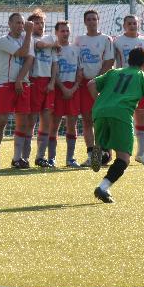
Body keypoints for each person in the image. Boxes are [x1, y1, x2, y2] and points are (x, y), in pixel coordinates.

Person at [88, 47, 144, 203]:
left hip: (99, 111)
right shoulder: (143, 77)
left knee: (104, 144)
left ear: (129, 60)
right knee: (124, 158)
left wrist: (98, 101)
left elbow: (91, 84)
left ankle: (101, 152)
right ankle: (103, 187)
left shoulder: (114, 72)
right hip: (121, 114)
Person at [0, 13, 34, 169]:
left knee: (23, 122)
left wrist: (20, 79)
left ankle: (17, 158)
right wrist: (29, 33)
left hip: (23, 84)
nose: (20, 25)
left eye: (22, 23)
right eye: (17, 22)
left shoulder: (27, 39)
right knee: (2, 120)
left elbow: (30, 59)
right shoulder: (4, 40)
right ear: (9, 24)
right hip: (5, 85)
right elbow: (22, 53)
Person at [112, 14, 144, 165]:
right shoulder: (117, 41)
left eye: (134, 23)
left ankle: (141, 153)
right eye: (129, 23)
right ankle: (122, 153)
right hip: (123, 86)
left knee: (141, 117)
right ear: (124, 25)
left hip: (139, 85)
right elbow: (113, 62)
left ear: (139, 25)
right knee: (123, 120)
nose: (132, 25)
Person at [74, 10, 114, 167]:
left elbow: (109, 61)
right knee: (87, 119)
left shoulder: (106, 39)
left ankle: (105, 152)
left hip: (102, 84)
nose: (91, 22)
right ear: (85, 22)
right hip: (84, 85)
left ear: (98, 20)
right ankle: (92, 156)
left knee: (102, 119)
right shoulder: (79, 40)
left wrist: (97, 79)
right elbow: (76, 60)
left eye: (94, 19)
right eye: (89, 19)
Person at [25, 9, 60, 167]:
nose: (40, 25)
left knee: (46, 120)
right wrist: (54, 44)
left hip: (48, 83)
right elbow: (39, 45)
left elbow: (54, 63)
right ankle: (25, 157)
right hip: (34, 81)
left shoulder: (50, 38)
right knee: (31, 120)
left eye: (42, 23)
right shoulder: (29, 39)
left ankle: (40, 156)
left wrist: (52, 82)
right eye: (36, 23)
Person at [49, 21, 82, 168]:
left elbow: (79, 72)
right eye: (62, 31)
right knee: (54, 124)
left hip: (73, 89)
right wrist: (63, 88)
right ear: (56, 32)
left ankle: (70, 159)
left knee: (72, 124)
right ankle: (51, 158)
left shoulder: (76, 49)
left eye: (67, 30)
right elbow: (53, 72)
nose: (65, 33)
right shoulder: (53, 49)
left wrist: (73, 88)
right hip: (58, 89)